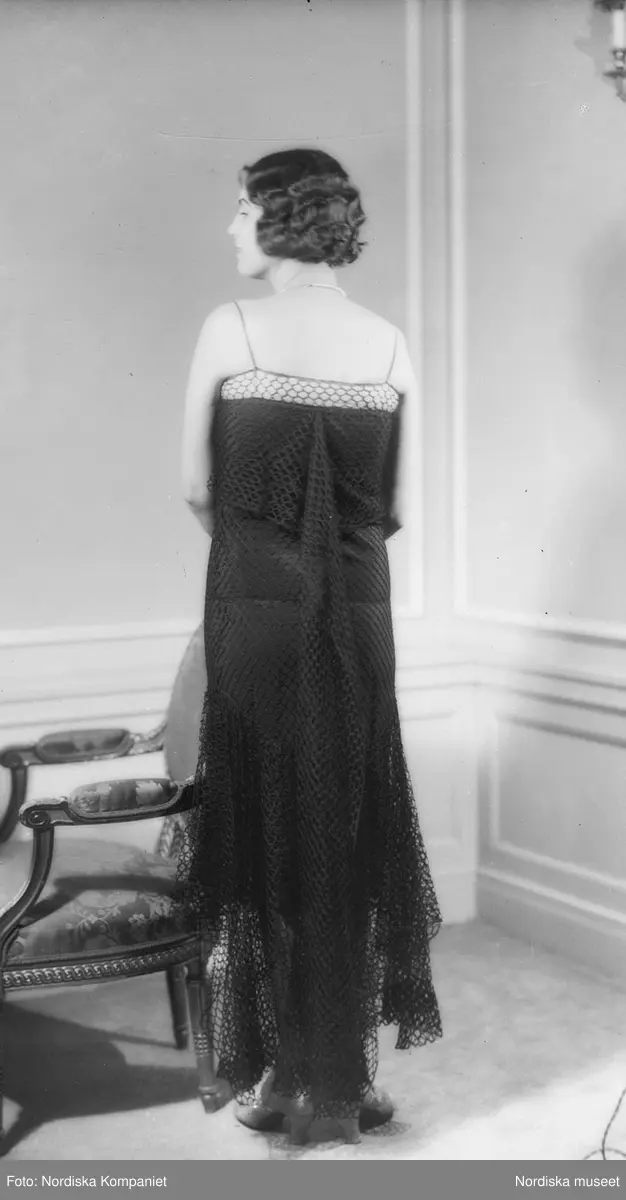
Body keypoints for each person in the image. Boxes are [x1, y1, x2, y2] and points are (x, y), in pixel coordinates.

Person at [177, 148, 442, 1146]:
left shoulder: (232, 327)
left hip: (258, 610)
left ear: (279, 217)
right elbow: (398, 507)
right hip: (358, 619)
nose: (230, 226)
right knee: (341, 829)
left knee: (266, 833)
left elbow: (197, 489)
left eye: (241, 208)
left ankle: (287, 1076)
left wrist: (264, 557)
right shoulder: (389, 344)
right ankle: (344, 1078)